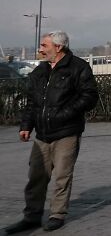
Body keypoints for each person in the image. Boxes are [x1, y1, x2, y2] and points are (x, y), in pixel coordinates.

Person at [4, 31, 98, 234]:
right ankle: (32, 216)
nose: (40, 49)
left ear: (58, 47)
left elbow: (89, 96)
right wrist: (25, 126)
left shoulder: (78, 67)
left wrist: (64, 114)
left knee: (62, 176)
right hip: (42, 134)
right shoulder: (40, 71)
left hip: (66, 131)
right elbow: (32, 102)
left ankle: (57, 215)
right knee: (36, 176)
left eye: (44, 45)